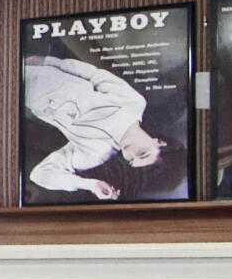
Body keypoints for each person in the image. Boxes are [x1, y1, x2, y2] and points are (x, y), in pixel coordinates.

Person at [22, 53, 165, 199]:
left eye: (131, 160)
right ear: (158, 141)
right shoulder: (133, 103)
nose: (130, 153)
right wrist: (49, 61)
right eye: (143, 153)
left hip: (25, 94)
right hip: (43, 73)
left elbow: (40, 175)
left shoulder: (96, 153)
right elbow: (94, 74)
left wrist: (91, 185)